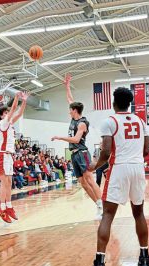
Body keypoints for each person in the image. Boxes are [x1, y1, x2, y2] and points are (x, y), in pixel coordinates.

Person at [88, 87, 149, 266]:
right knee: (139, 213)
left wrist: (94, 166)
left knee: (108, 214)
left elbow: (106, 152)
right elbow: (147, 149)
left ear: (114, 102)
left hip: (120, 168)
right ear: (130, 103)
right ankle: (144, 258)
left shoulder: (110, 121)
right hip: (137, 168)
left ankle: (99, 264)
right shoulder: (141, 121)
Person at [51, 74, 102, 218]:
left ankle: (102, 205)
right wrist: (67, 85)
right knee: (82, 182)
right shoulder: (74, 117)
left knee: (89, 179)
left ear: (75, 110)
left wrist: (59, 137)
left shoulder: (81, 123)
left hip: (82, 152)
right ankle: (98, 205)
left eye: (70, 109)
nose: (69, 110)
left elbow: (75, 139)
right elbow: (70, 99)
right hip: (74, 154)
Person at [0, 91, 29, 223]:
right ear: (2, 115)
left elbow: (19, 113)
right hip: (3, 155)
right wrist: (16, 97)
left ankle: (8, 207)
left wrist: (24, 100)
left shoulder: (9, 124)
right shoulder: (3, 123)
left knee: (9, 183)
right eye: (6, 113)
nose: (8, 114)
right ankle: (1, 209)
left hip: (9, 156)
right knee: (4, 183)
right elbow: (14, 109)